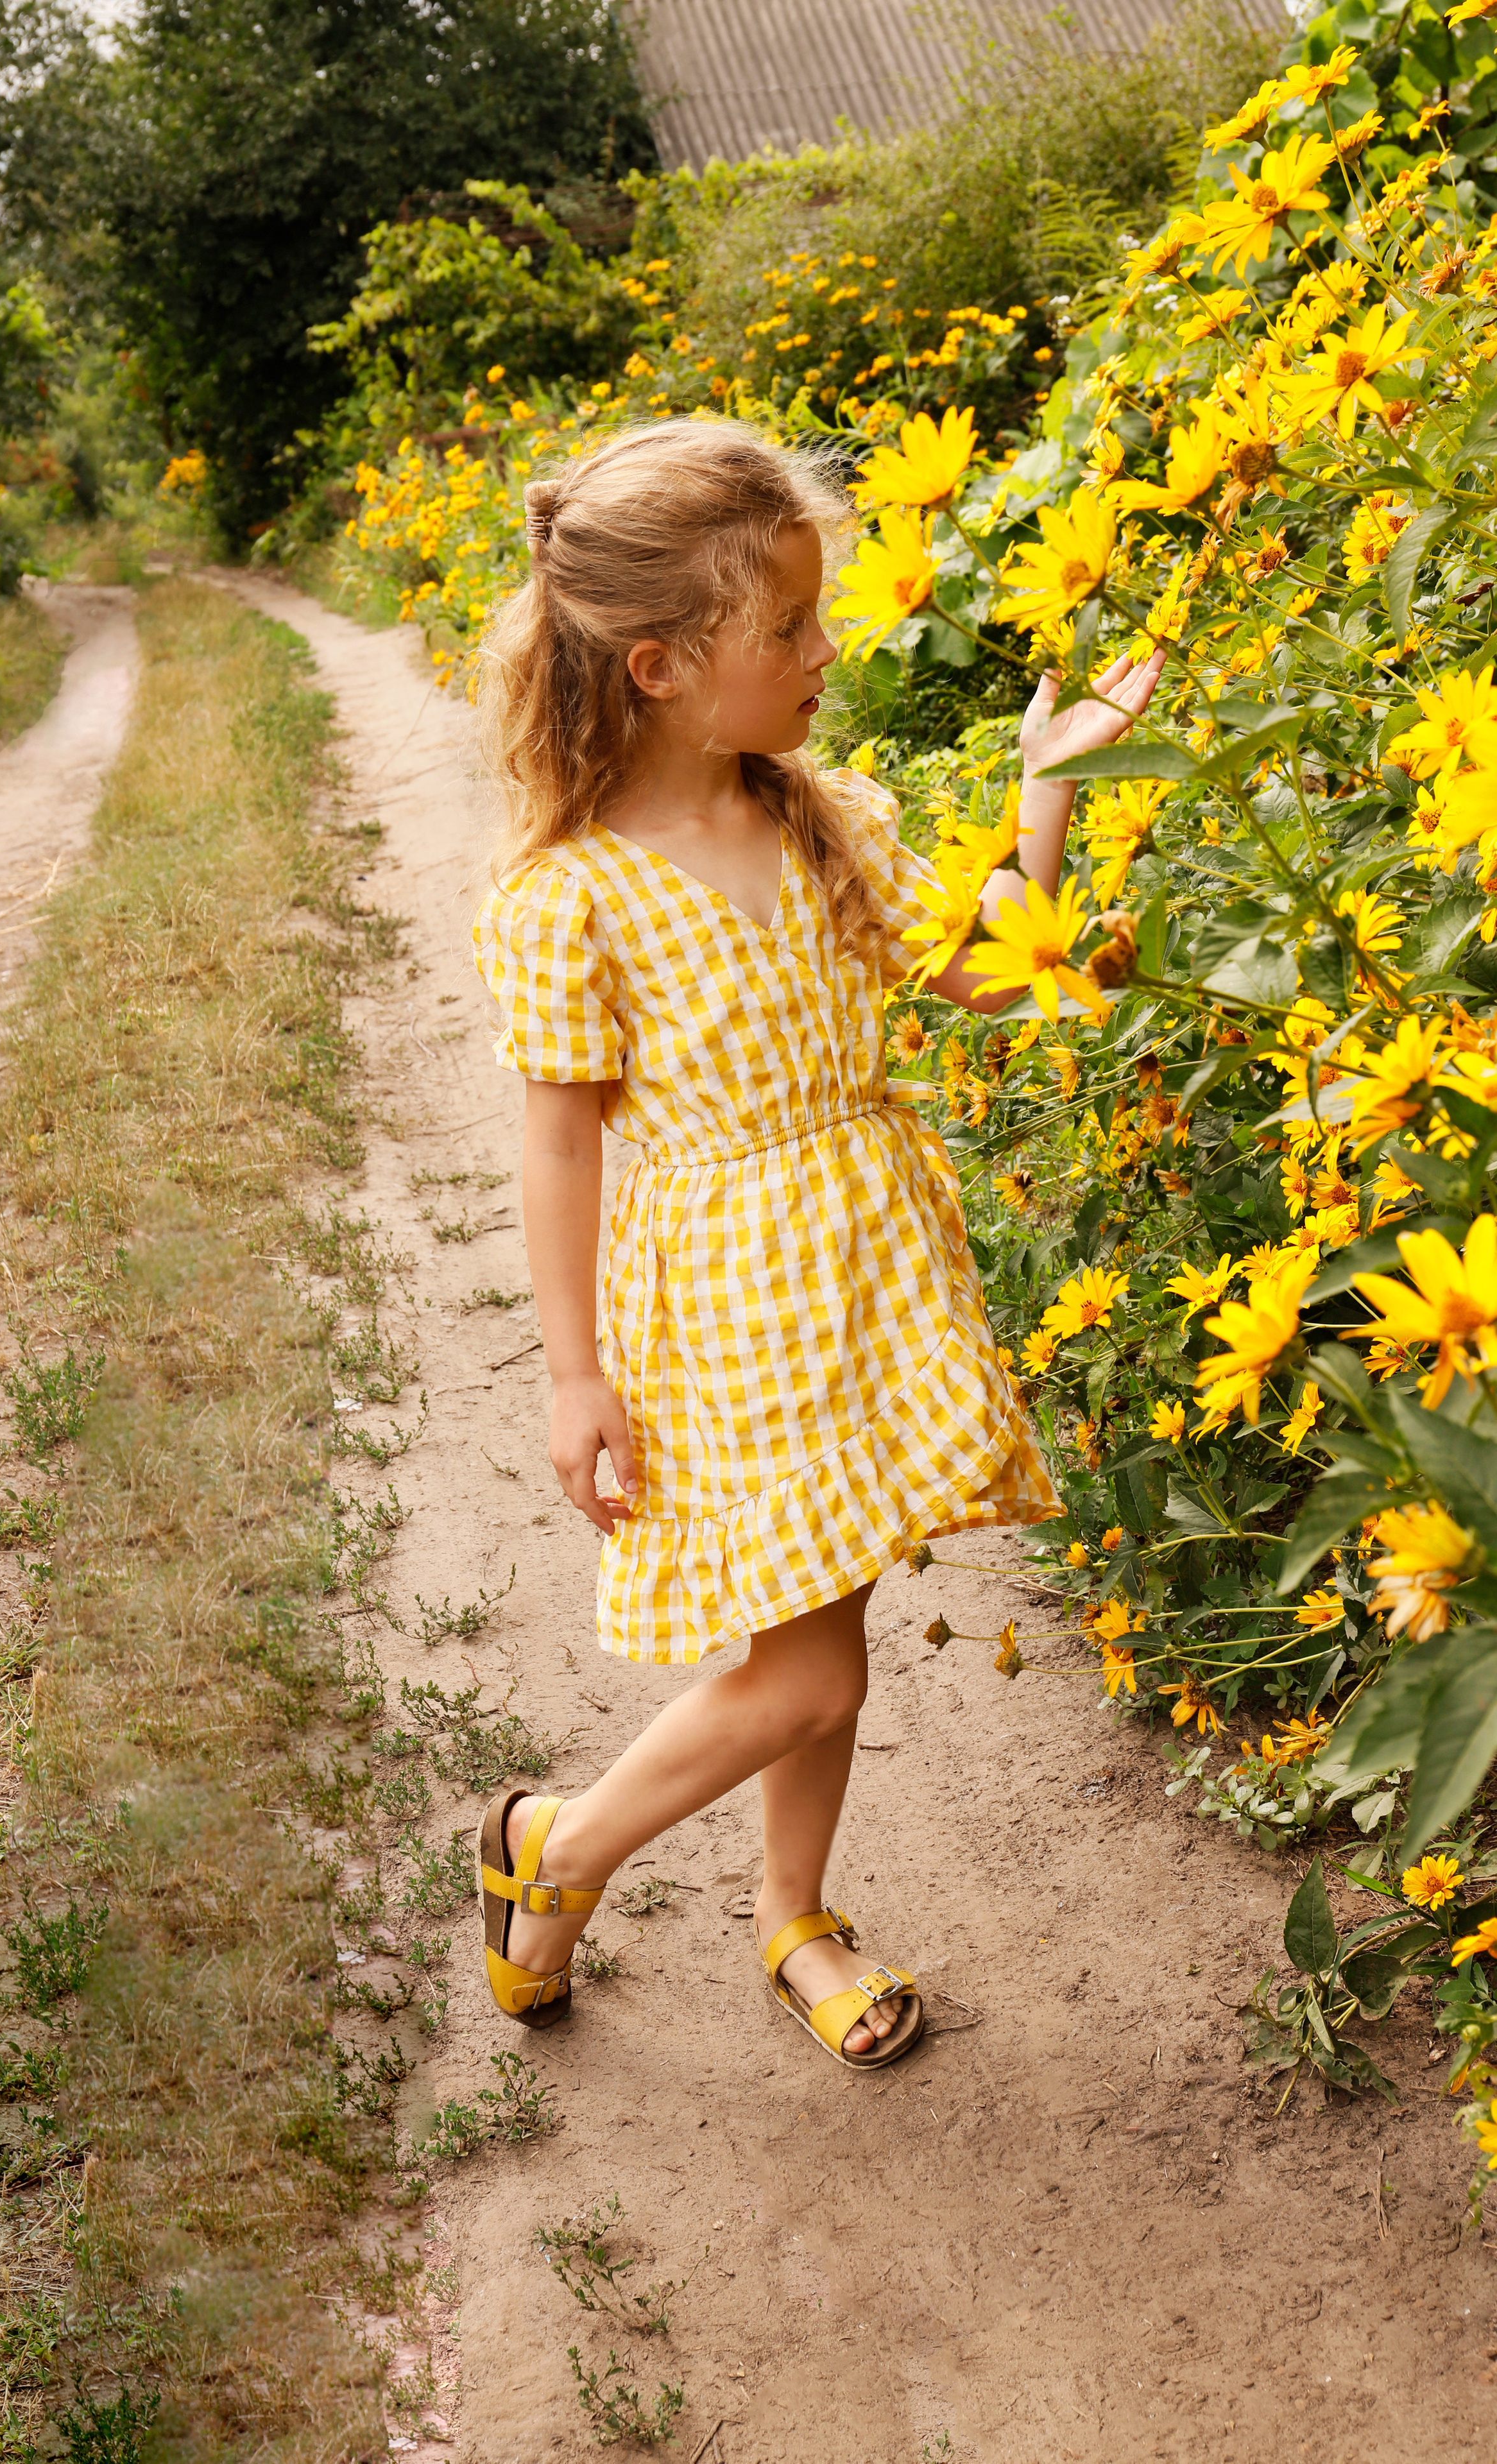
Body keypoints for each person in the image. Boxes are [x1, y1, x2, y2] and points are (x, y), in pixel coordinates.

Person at [470, 420, 1162, 2067]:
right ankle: (553, 1851)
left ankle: (792, 1918)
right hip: (730, 1307)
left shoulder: (821, 819)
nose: (825, 649)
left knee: (823, 1635)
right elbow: (558, 1142)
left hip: (865, 1278)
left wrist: (1048, 790)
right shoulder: (574, 898)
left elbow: (984, 972)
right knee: (805, 1678)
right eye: (786, 627)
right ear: (658, 668)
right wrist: (572, 1375)